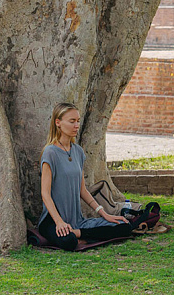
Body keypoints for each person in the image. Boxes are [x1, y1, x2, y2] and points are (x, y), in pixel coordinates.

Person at [37, 102, 133, 251]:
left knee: (125, 226)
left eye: (78, 121)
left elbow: (83, 190)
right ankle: (77, 235)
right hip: (52, 219)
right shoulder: (50, 153)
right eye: (72, 121)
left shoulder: (78, 152)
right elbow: (45, 194)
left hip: (77, 220)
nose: (76, 125)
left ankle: (78, 233)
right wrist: (59, 222)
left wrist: (104, 214)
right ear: (58, 123)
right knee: (68, 241)